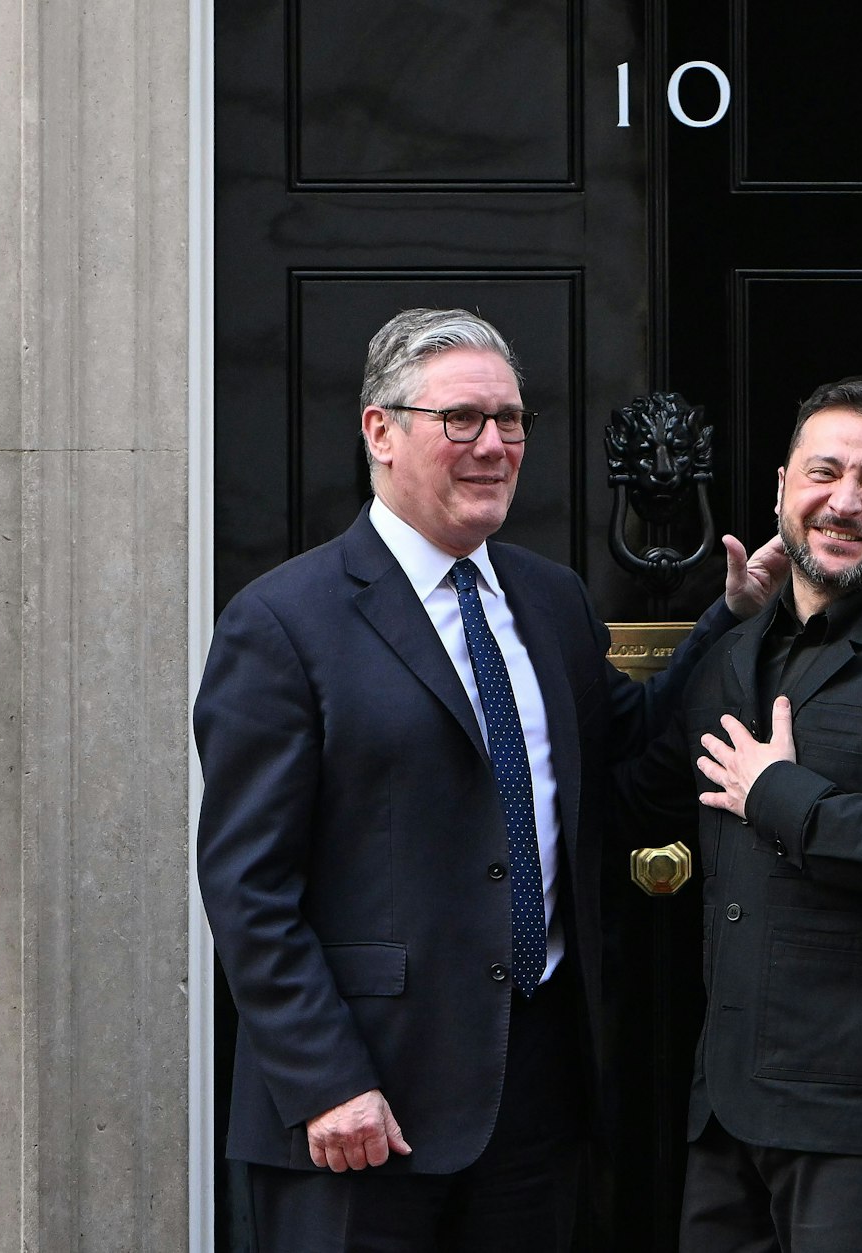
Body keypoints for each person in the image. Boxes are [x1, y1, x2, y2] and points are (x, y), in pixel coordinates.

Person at [194, 307, 786, 1252]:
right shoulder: (282, 622)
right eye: (461, 419)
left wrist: (730, 621)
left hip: (536, 1092)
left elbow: (631, 760)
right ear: (379, 431)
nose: (494, 445)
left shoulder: (549, 598)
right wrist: (324, 1079)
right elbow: (247, 885)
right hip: (362, 1105)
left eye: (510, 421)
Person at [620, 376, 862, 1253]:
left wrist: (780, 795)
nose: (844, 501)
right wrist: (718, 619)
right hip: (729, 1114)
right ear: (779, 490)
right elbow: (647, 789)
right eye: (823, 473)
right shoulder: (737, 653)